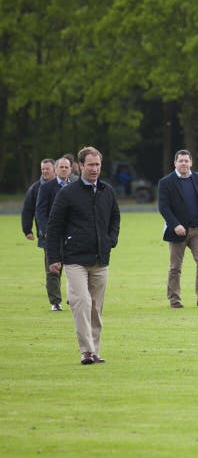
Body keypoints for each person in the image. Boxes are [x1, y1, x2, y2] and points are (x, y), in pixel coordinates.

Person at [46, 147, 120, 365]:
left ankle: (95, 350)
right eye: (91, 165)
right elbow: (54, 226)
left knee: (96, 308)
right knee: (82, 303)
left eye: (98, 165)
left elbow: (115, 218)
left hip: (100, 260)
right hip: (74, 259)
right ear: (80, 166)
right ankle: (86, 351)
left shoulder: (107, 191)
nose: (95, 169)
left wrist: (111, 240)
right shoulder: (67, 193)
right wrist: (53, 258)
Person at [158, 149, 198, 308]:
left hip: (197, 230)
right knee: (175, 267)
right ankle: (174, 299)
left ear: (191, 163)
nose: (184, 163)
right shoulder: (166, 182)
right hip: (177, 231)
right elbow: (163, 207)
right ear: (175, 163)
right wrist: (175, 224)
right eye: (181, 161)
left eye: (186, 161)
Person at [35, 157, 73, 310]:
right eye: (61, 167)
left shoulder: (75, 187)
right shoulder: (46, 188)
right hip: (52, 235)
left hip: (71, 235)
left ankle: (73, 298)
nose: (64, 169)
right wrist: (46, 231)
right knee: (53, 268)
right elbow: (40, 211)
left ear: (71, 169)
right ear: (56, 169)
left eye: (66, 167)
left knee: (74, 267)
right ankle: (55, 302)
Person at [21, 159, 57, 310]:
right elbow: (28, 210)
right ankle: (55, 301)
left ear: (54, 170)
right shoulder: (35, 188)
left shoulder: (64, 187)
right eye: (42, 169)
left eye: (47, 169)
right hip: (46, 234)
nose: (44, 172)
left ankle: (71, 295)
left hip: (67, 234)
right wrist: (27, 230)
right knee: (52, 266)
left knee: (69, 267)